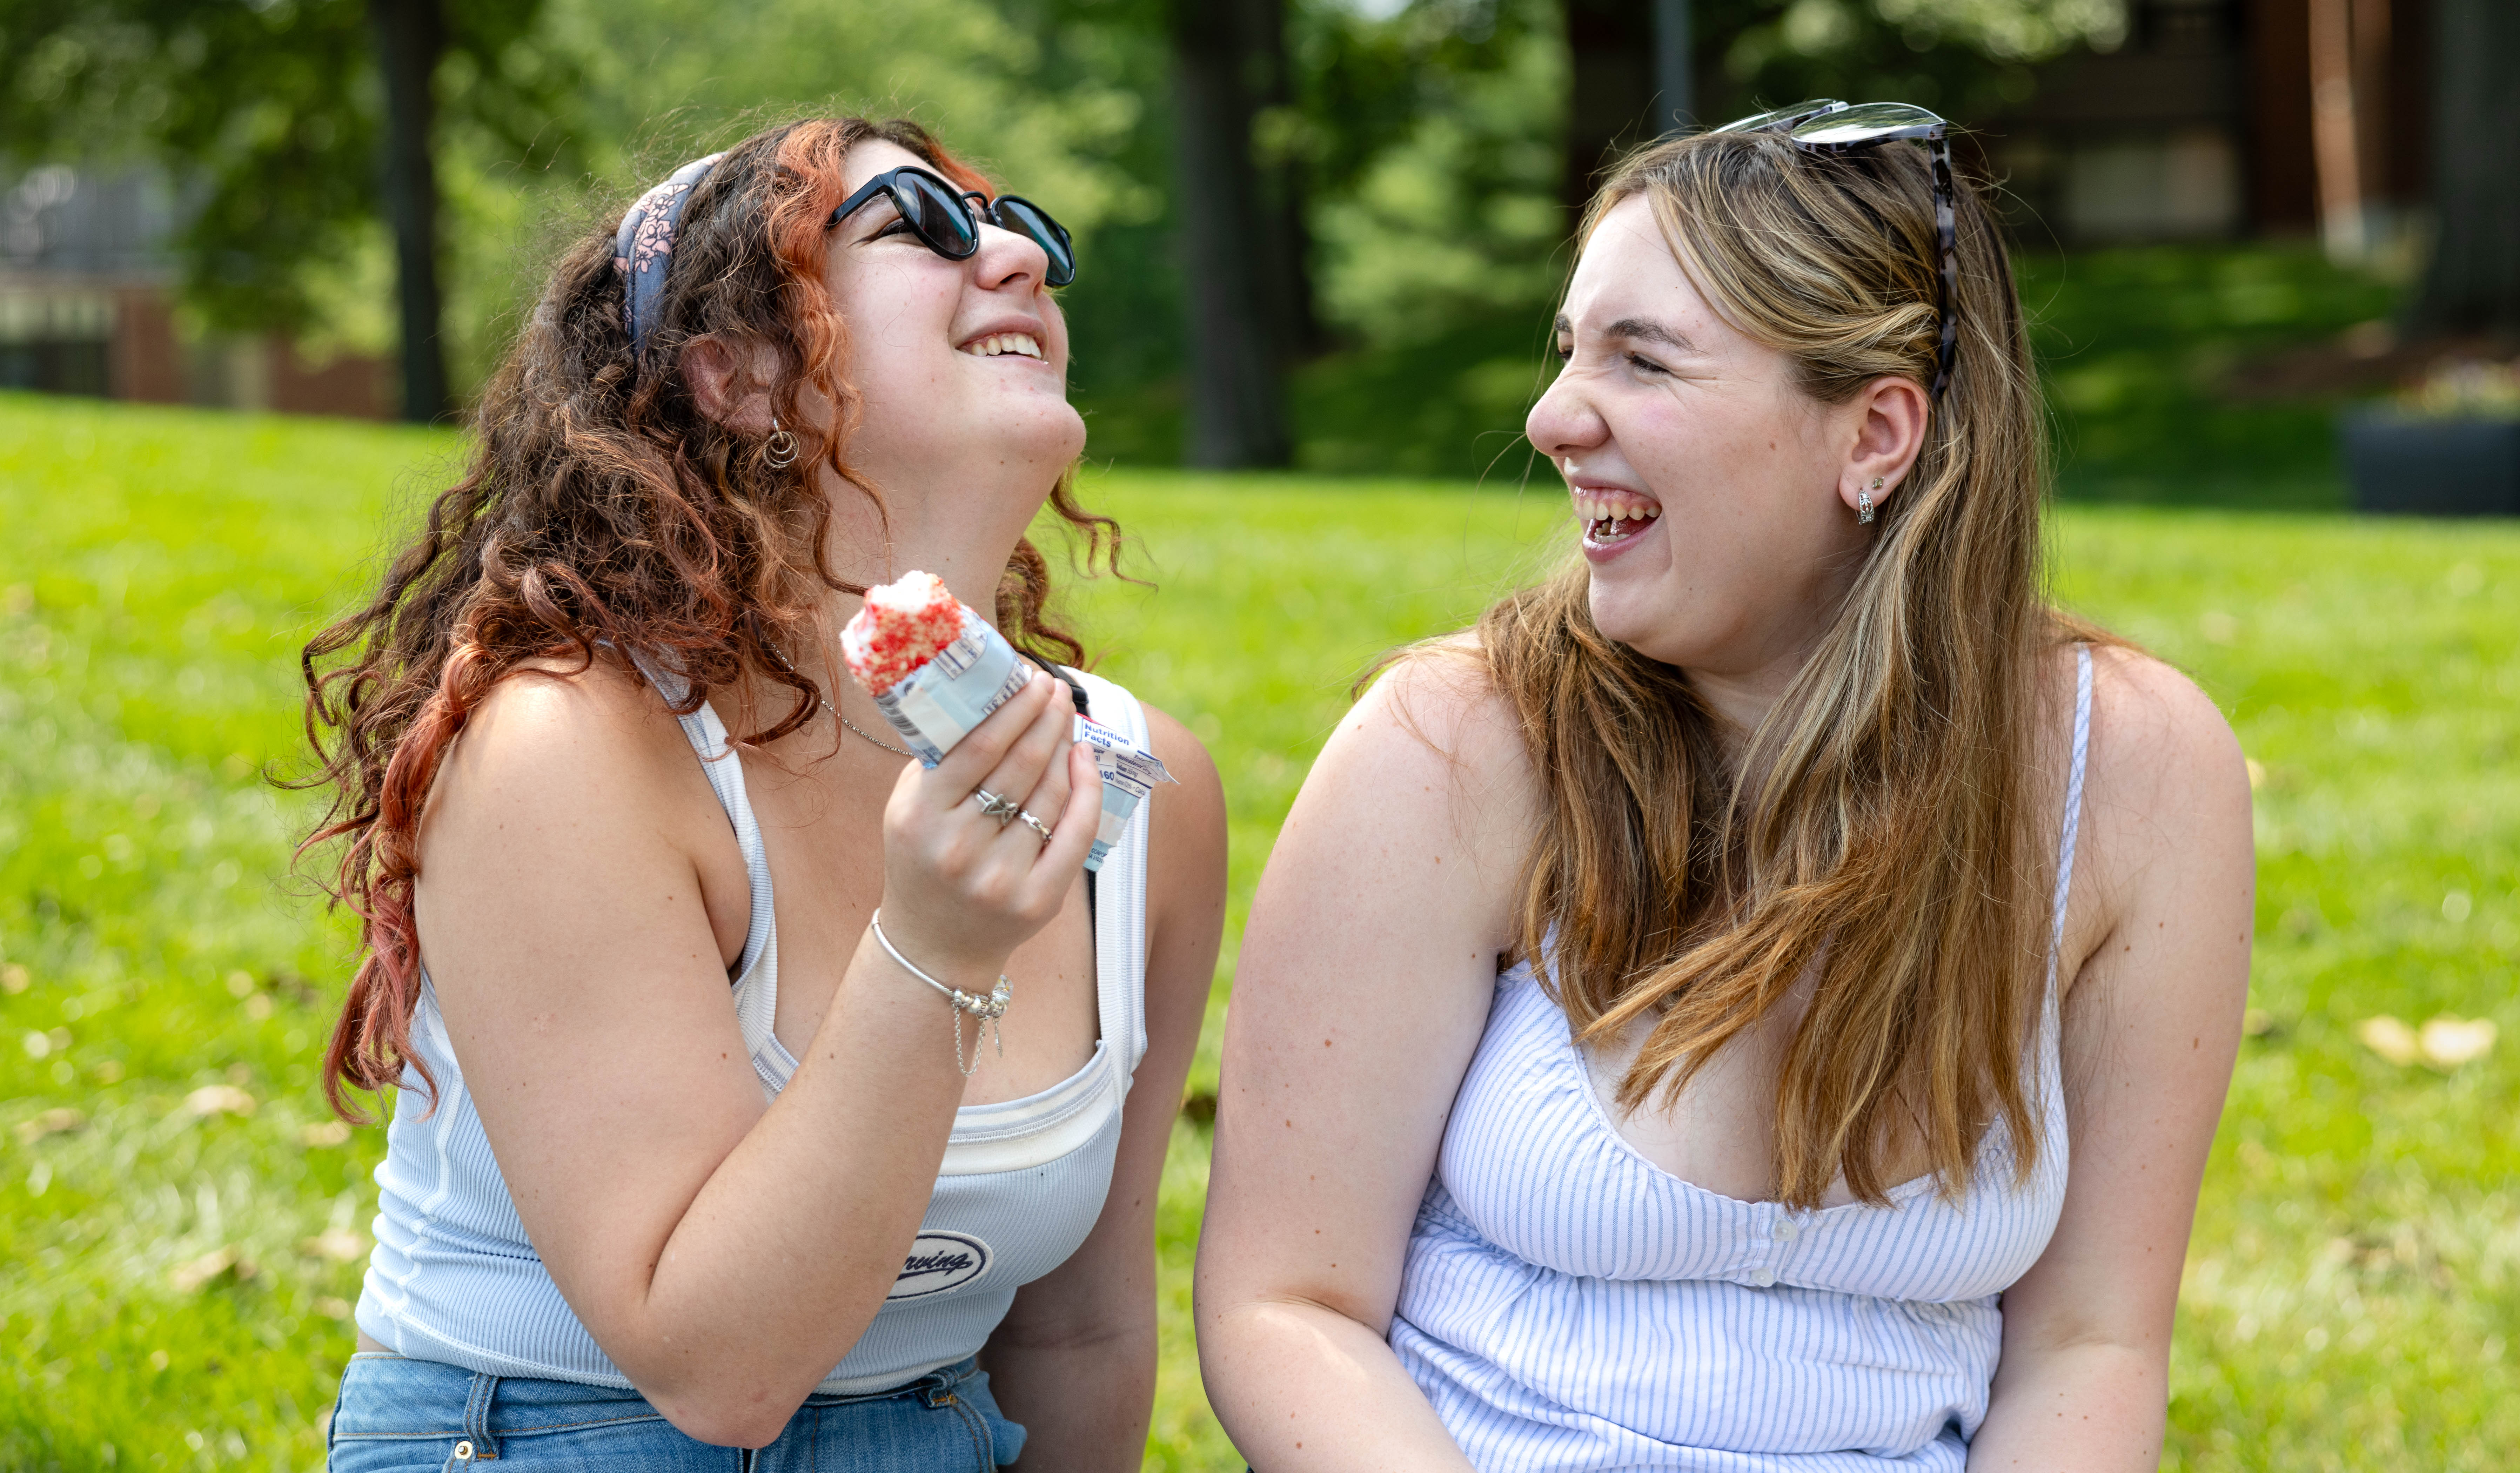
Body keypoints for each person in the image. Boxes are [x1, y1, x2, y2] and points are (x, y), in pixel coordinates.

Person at [1195, 103, 2253, 1472]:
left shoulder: (2134, 772)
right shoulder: (1456, 743)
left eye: (1643, 360)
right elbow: (1290, 1309)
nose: (1554, 416)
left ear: (1875, 435)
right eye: (1570, 348)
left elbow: (2092, 1347)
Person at [301, 114, 1225, 1470]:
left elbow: (1078, 1335)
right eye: (925, 226)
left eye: (1025, 226)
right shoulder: (569, 745)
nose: (1021, 254)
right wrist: (936, 949)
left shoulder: (1143, 786)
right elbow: (713, 1370)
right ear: (733, 375)